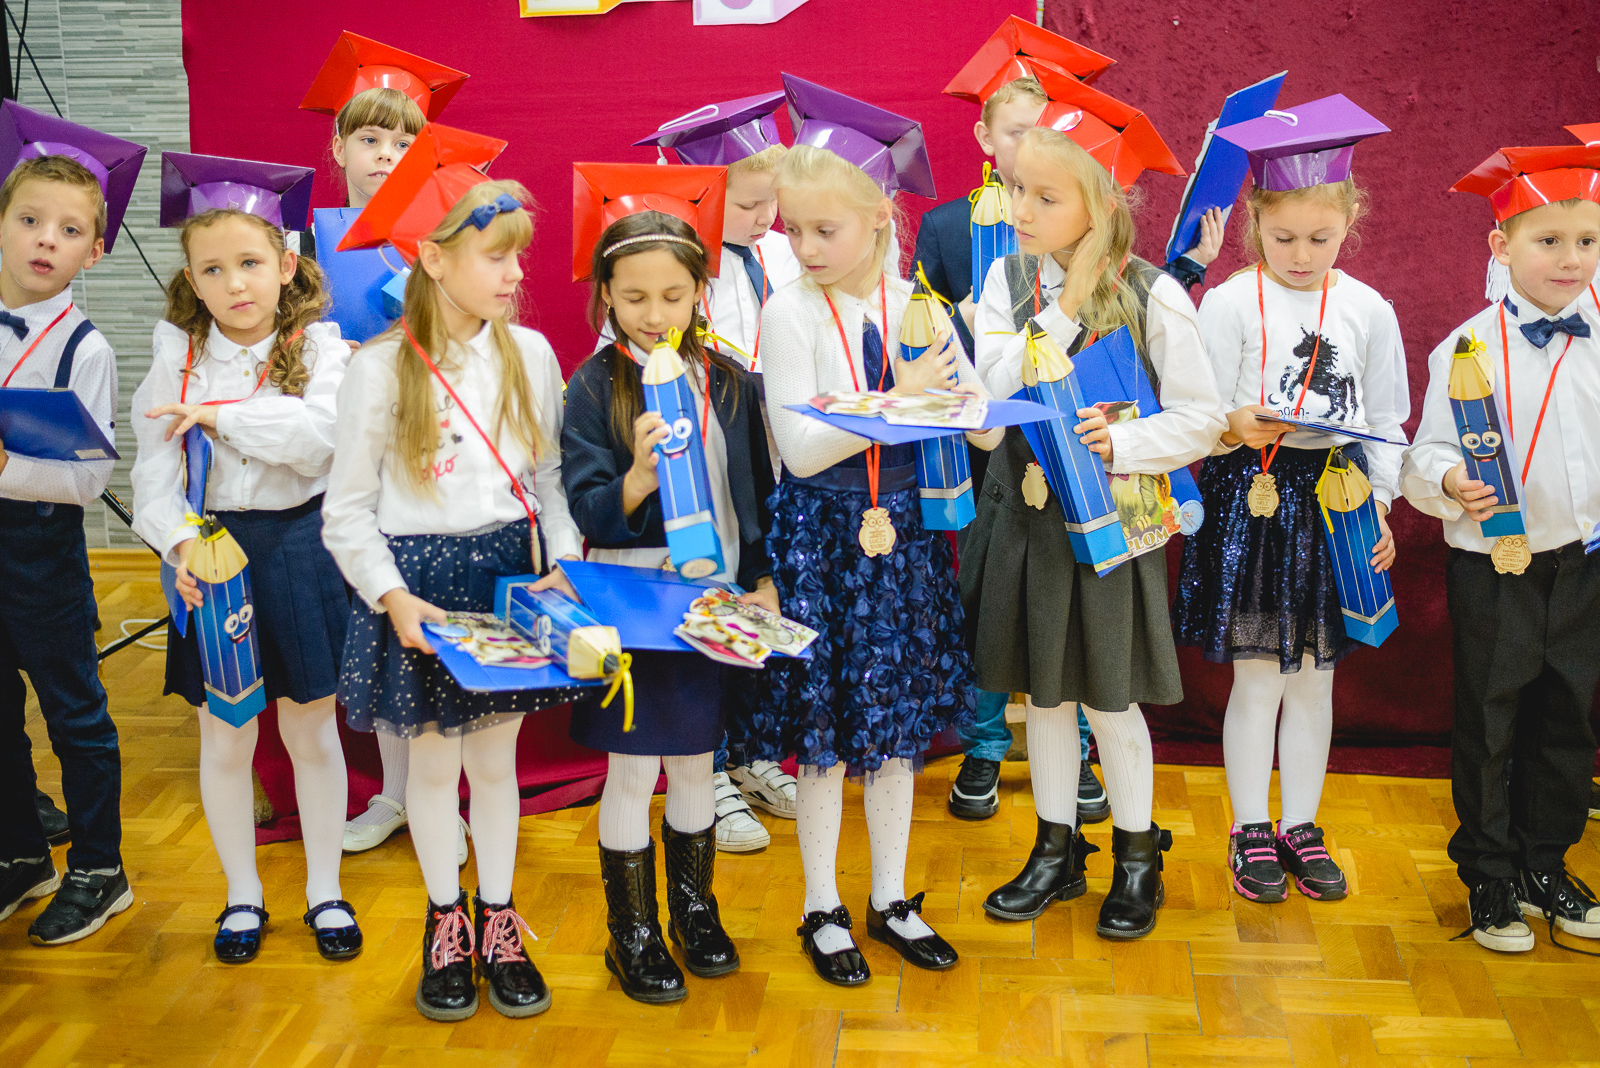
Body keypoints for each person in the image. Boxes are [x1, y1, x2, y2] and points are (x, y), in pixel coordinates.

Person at [742, 82, 994, 984]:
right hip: (822, 540)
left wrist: (969, 385)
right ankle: (821, 906)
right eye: (794, 230)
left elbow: (983, 433)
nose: (806, 248)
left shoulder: (916, 306)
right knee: (824, 738)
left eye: (825, 230)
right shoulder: (789, 310)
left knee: (894, 734)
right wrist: (898, 401)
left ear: (882, 217)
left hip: (906, 538)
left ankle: (889, 898)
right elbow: (803, 451)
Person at [324, 134, 580, 1019]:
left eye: (518, 256)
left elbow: (549, 480)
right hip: (421, 587)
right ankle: (446, 923)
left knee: (497, 765)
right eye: (495, 256)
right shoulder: (377, 369)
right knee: (433, 771)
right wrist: (392, 597)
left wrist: (563, 561)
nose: (516, 273)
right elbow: (346, 513)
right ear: (433, 260)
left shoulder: (532, 354)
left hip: (507, 577)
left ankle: (499, 919)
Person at [964, 120, 1225, 941]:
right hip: (1025, 516)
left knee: (1108, 699)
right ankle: (1056, 851)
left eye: (1046, 196)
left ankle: (1138, 858)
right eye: (1018, 189)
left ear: (1102, 204)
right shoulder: (1005, 280)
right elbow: (993, 388)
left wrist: (1128, 444)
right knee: (1043, 694)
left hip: (1110, 527)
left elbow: (1203, 419)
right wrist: (1067, 309)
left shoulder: (1154, 292)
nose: (1020, 209)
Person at [1171, 96, 1406, 906]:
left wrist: (1380, 505)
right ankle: (1249, 828)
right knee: (1260, 679)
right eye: (1283, 238)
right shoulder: (1231, 302)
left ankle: (1301, 824)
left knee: (1314, 680)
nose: (1301, 255)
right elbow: (1197, 413)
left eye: (1320, 238)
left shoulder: (1368, 308)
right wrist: (1234, 424)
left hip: (1336, 497)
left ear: (1349, 226)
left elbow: (1388, 420)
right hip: (1254, 494)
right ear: (1254, 226)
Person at [131, 154, 357, 963]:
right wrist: (179, 545)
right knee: (226, 738)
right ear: (192, 281)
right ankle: (242, 896)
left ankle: (325, 890)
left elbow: (317, 441)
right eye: (213, 270)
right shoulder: (177, 354)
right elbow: (152, 473)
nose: (234, 284)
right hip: (211, 553)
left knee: (311, 733)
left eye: (251, 263)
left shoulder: (321, 348)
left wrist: (216, 417)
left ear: (286, 265)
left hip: (299, 547)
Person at [563, 172, 775, 1002]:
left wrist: (762, 578)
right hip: (631, 604)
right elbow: (586, 507)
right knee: (630, 771)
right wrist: (638, 479)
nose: (654, 314)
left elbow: (753, 493)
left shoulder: (728, 381)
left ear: (699, 293)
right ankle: (633, 934)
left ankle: (694, 910)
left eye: (673, 296)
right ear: (606, 296)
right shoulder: (593, 387)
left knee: (693, 761)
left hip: (710, 603)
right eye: (634, 297)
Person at [1401, 132, 1600, 953]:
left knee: (1567, 721)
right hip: (1495, 570)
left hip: (1584, 569)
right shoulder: (1467, 348)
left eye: (1587, 241)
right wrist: (1450, 481)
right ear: (1501, 246)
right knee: (1490, 721)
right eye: (1548, 240)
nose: (1570, 259)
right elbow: (1424, 456)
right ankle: (1489, 875)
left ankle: (1545, 864)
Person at [299, 33, 473, 860]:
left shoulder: (442, 238)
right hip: (335, 460)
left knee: (421, 629)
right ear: (338, 147)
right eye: (369, 138)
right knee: (369, 630)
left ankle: (432, 794)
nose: (386, 155)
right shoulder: (305, 241)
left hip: (429, 462)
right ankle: (394, 793)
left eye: (405, 142)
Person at [632, 93, 801, 852]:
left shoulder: (779, 256)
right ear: (701, 196)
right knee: (710, 609)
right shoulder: (672, 269)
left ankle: (756, 753)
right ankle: (710, 767)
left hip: (777, 463)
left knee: (764, 603)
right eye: (750, 203)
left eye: (773, 202)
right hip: (703, 469)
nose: (766, 218)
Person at [0, 117, 141, 945]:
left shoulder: (85, 349)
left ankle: (99, 866)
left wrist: (4, 469)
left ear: (95, 252)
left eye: (70, 229)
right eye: (29, 220)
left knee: (75, 716)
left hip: (40, 553)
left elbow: (87, 480)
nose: (46, 239)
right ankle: (21, 853)